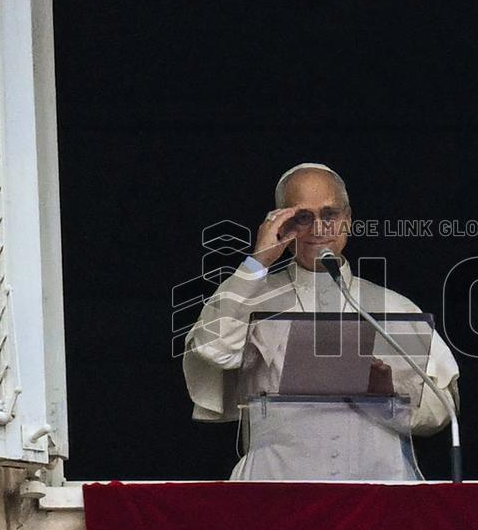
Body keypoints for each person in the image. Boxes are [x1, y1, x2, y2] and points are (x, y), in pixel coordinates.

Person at [182, 163, 460, 480]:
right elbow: (212, 349)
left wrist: (389, 396)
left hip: (378, 489)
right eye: (302, 217)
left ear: (348, 219)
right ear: (280, 223)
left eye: (329, 214)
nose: (318, 228)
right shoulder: (250, 300)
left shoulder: (397, 307)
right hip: (274, 487)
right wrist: (259, 261)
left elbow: (440, 412)